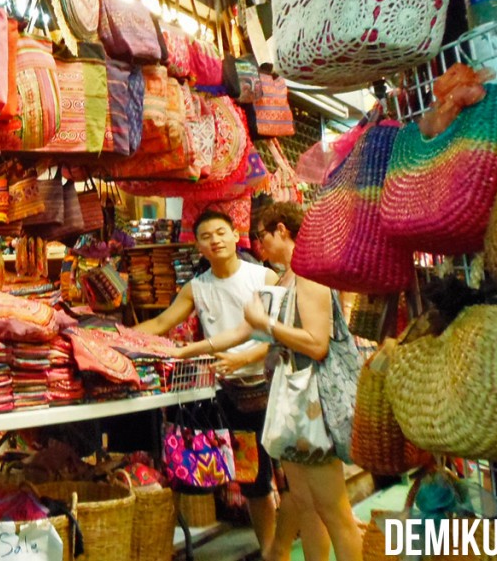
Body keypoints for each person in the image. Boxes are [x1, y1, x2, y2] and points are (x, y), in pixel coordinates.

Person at [135, 210, 298, 560]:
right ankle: (270, 550)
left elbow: (284, 334)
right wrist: (120, 337)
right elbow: (163, 321)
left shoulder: (263, 275)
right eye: (207, 236)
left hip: (269, 387)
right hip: (228, 392)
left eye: (221, 232)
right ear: (199, 245)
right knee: (253, 480)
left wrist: (246, 358)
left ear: (234, 234)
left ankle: (282, 547)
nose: (216, 240)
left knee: (293, 477)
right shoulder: (198, 286)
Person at [243, 202, 363, 561]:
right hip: (298, 403)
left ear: (281, 229)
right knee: (310, 507)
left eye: (260, 235)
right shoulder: (287, 277)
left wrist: (266, 325)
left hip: (316, 403)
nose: (258, 244)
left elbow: (317, 343)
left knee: (334, 511)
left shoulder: (310, 275)